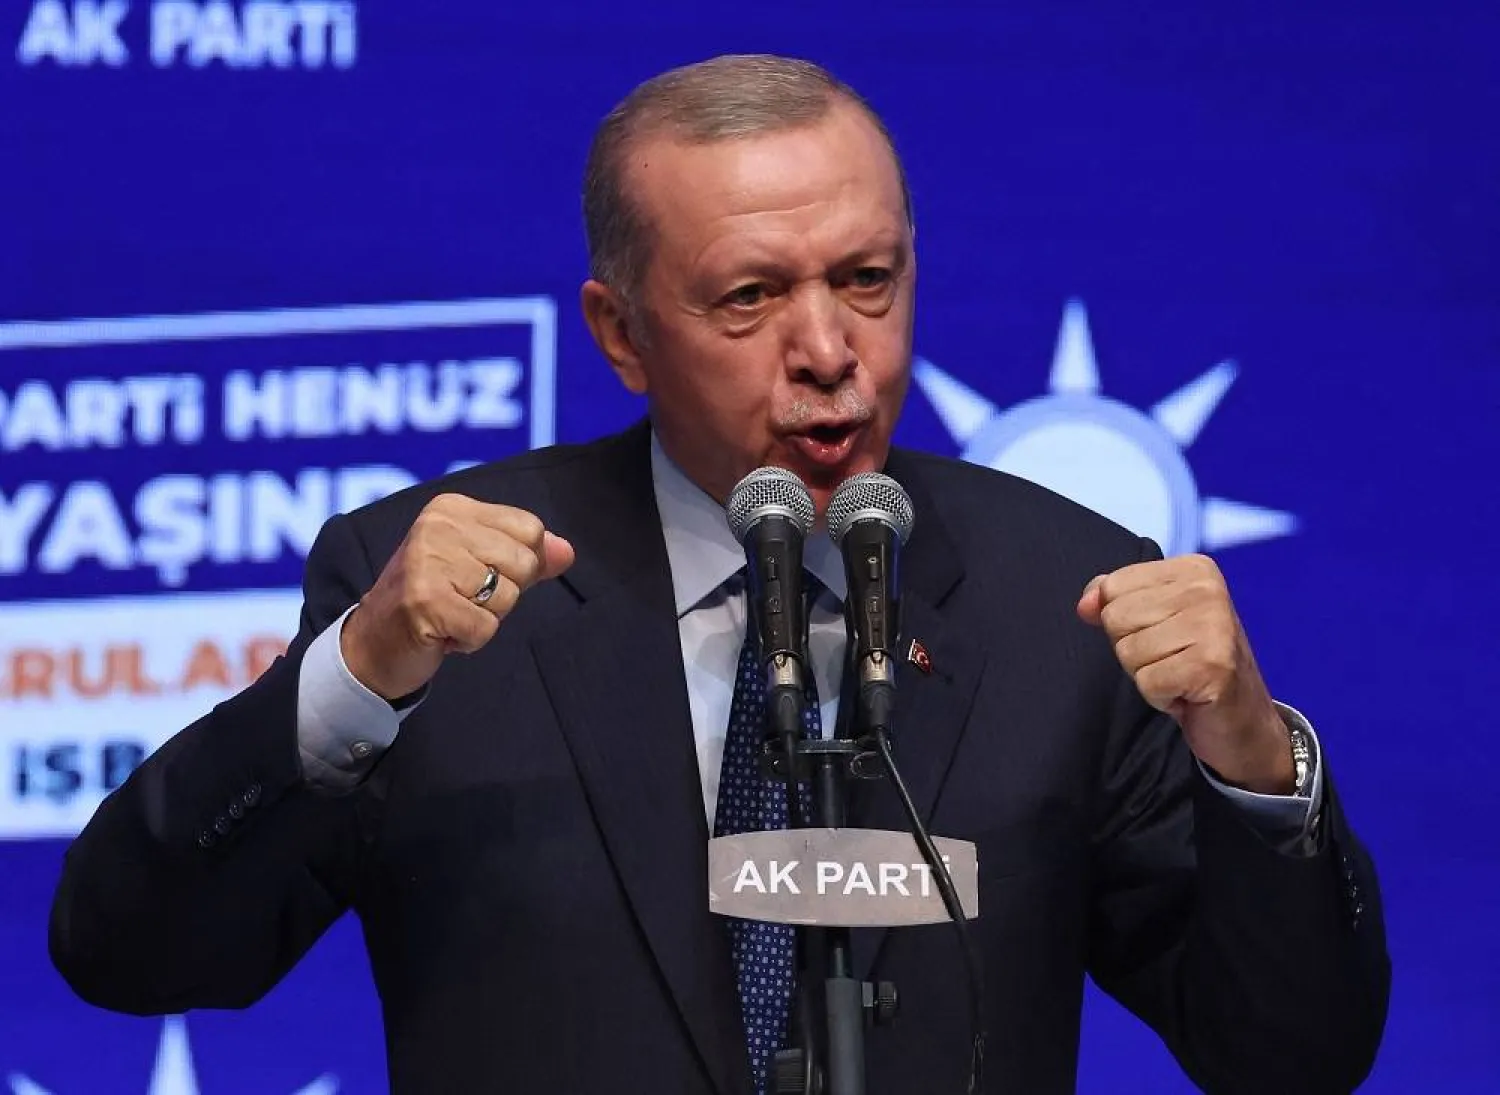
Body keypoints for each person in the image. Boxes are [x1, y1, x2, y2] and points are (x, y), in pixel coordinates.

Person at [50, 54, 1390, 1094]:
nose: (827, 348)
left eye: (867, 279)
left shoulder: (1066, 596)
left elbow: (1293, 1053)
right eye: (748, 298)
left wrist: (1255, 768)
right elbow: (132, 952)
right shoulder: (436, 604)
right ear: (620, 335)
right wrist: (352, 679)